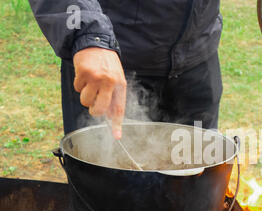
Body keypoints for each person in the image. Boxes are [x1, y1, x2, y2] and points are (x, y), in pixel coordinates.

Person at [28, 0, 223, 139]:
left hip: (198, 61)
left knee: (198, 183)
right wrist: (88, 33)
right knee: (105, 189)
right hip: (107, 67)